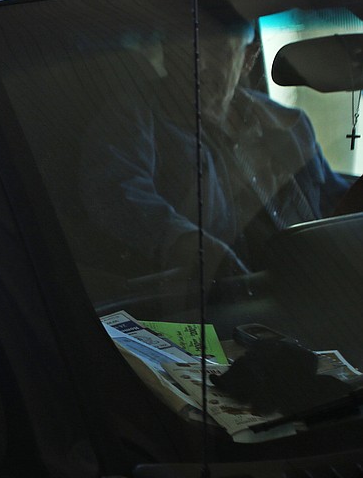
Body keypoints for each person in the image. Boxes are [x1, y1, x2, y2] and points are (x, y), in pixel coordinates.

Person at [81, 15, 350, 284]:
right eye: (185, 48)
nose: (198, 64)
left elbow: (334, 203)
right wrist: (189, 246)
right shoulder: (133, 118)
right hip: (212, 301)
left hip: (310, 287)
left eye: (218, 51)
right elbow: (117, 195)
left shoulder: (287, 123)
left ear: (248, 59)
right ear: (165, 50)